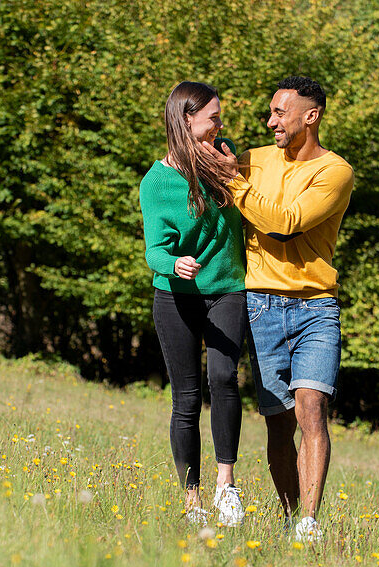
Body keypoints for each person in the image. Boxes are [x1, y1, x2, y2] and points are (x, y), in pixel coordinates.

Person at [202, 76, 353, 542]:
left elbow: (286, 225)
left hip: (314, 306)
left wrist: (237, 182)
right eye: (270, 112)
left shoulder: (335, 172)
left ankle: (309, 522)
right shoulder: (251, 160)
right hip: (261, 306)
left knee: (312, 409)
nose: (271, 122)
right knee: (278, 422)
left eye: (280, 113)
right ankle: (290, 521)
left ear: (311, 116)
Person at [139, 81, 247, 527]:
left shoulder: (226, 157)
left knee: (223, 378)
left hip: (227, 288)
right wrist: (173, 262)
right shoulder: (157, 181)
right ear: (186, 120)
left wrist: (232, 169)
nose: (221, 124)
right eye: (213, 117)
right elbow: (153, 250)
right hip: (176, 296)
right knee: (185, 400)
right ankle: (192, 499)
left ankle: (227, 487)